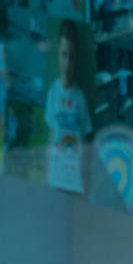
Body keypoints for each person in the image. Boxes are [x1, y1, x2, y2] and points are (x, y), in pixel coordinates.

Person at [45, 19, 92, 193]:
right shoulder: (53, 93)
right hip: (56, 178)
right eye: (64, 55)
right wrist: (47, 174)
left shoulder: (80, 98)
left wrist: (86, 182)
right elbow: (51, 137)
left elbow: (86, 144)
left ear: (76, 58)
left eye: (71, 57)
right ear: (58, 53)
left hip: (75, 181)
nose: (67, 63)